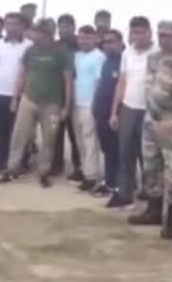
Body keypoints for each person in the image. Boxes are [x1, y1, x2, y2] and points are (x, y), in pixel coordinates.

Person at [128, 21, 172, 240]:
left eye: (168, 35)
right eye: (160, 35)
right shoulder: (153, 59)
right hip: (151, 121)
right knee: (151, 167)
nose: (163, 39)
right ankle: (153, 211)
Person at [0, 19, 73, 188]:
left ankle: (44, 173)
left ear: (47, 33)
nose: (34, 34)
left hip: (52, 104)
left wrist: (66, 106)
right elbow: (21, 75)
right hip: (28, 99)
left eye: (38, 32)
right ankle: (12, 170)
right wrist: (14, 98)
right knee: (19, 136)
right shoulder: (30, 51)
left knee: (49, 139)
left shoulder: (62, 52)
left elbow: (68, 81)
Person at [107, 16, 156, 208]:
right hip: (128, 108)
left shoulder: (157, 53)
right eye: (134, 32)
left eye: (142, 32)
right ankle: (125, 194)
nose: (137, 36)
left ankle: (151, 194)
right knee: (125, 152)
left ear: (149, 33)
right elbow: (122, 82)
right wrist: (114, 112)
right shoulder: (127, 53)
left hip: (149, 111)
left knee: (149, 156)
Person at [0, 12, 33, 173]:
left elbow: (30, 72)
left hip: (21, 95)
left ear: (23, 26)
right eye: (8, 23)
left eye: (15, 23)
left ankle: (20, 162)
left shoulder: (29, 46)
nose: (11, 27)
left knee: (20, 131)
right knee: (0, 129)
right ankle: (0, 160)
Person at [72, 25, 106, 192]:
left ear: (95, 39)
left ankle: (91, 176)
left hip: (89, 105)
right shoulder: (76, 56)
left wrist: (95, 104)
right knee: (80, 141)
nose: (83, 41)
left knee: (90, 140)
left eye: (87, 38)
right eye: (80, 38)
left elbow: (100, 82)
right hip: (75, 104)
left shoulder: (99, 56)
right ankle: (85, 171)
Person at [92, 29, 124, 198]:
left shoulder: (124, 61)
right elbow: (101, 86)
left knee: (116, 149)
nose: (107, 45)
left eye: (111, 41)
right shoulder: (106, 61)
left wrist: (116, 113)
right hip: (101, 111)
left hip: (116, 113)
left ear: (120, 42)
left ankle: (118, 185)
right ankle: (109, 181)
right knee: (106, 148)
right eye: (105, 42)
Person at [51, 13, 82, 181]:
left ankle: (79, 166)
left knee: (75, 133)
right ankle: (56, 164)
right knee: (56, 132)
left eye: (67, 26)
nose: (64, 29)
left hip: (77, 94)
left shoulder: (80, 44)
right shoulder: (54, 46)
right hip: (57, 94)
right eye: (61, 26)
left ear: (73, 27)